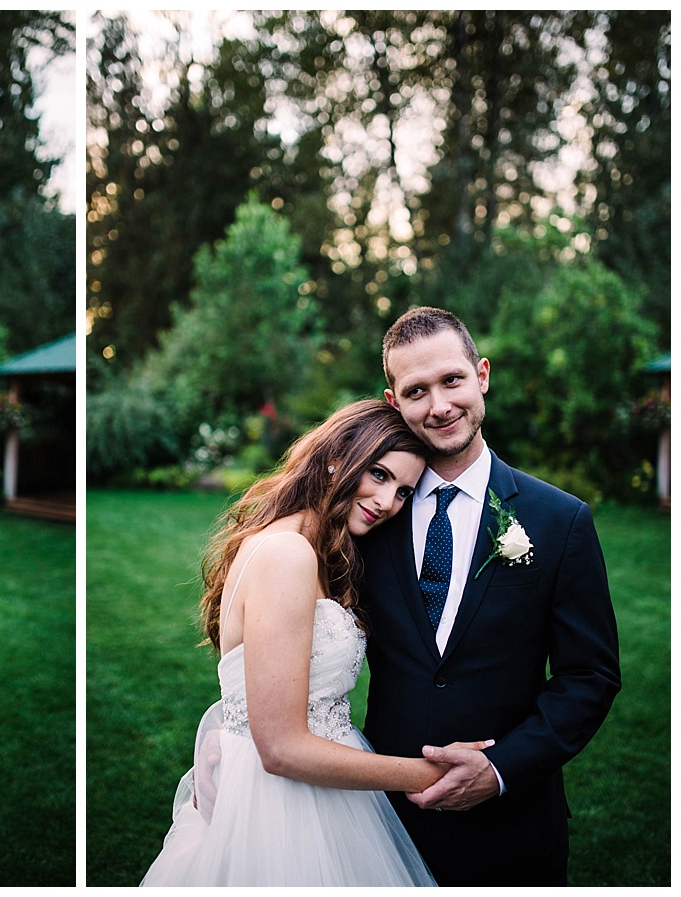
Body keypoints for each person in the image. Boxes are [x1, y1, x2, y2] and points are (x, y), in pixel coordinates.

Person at [141, 399, 489, 886]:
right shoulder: (288, 555)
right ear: (335, 460)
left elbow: (253, 688)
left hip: (315, 790)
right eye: (380, 475)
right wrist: (429, 775)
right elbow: (281, 748)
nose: (388, 502)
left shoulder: (314, 551)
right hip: (280, 805)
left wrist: (224, 727)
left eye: (405, 491)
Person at [358, 306, 621, 886]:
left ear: (481, 374)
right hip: (381, 820)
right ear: (393, 401)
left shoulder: (561, 521)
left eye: (452, 380)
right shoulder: (368, 515)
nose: (440, 405)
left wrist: (501, 768)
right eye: (416, 390)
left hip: (514, 827)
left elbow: (590, 675)